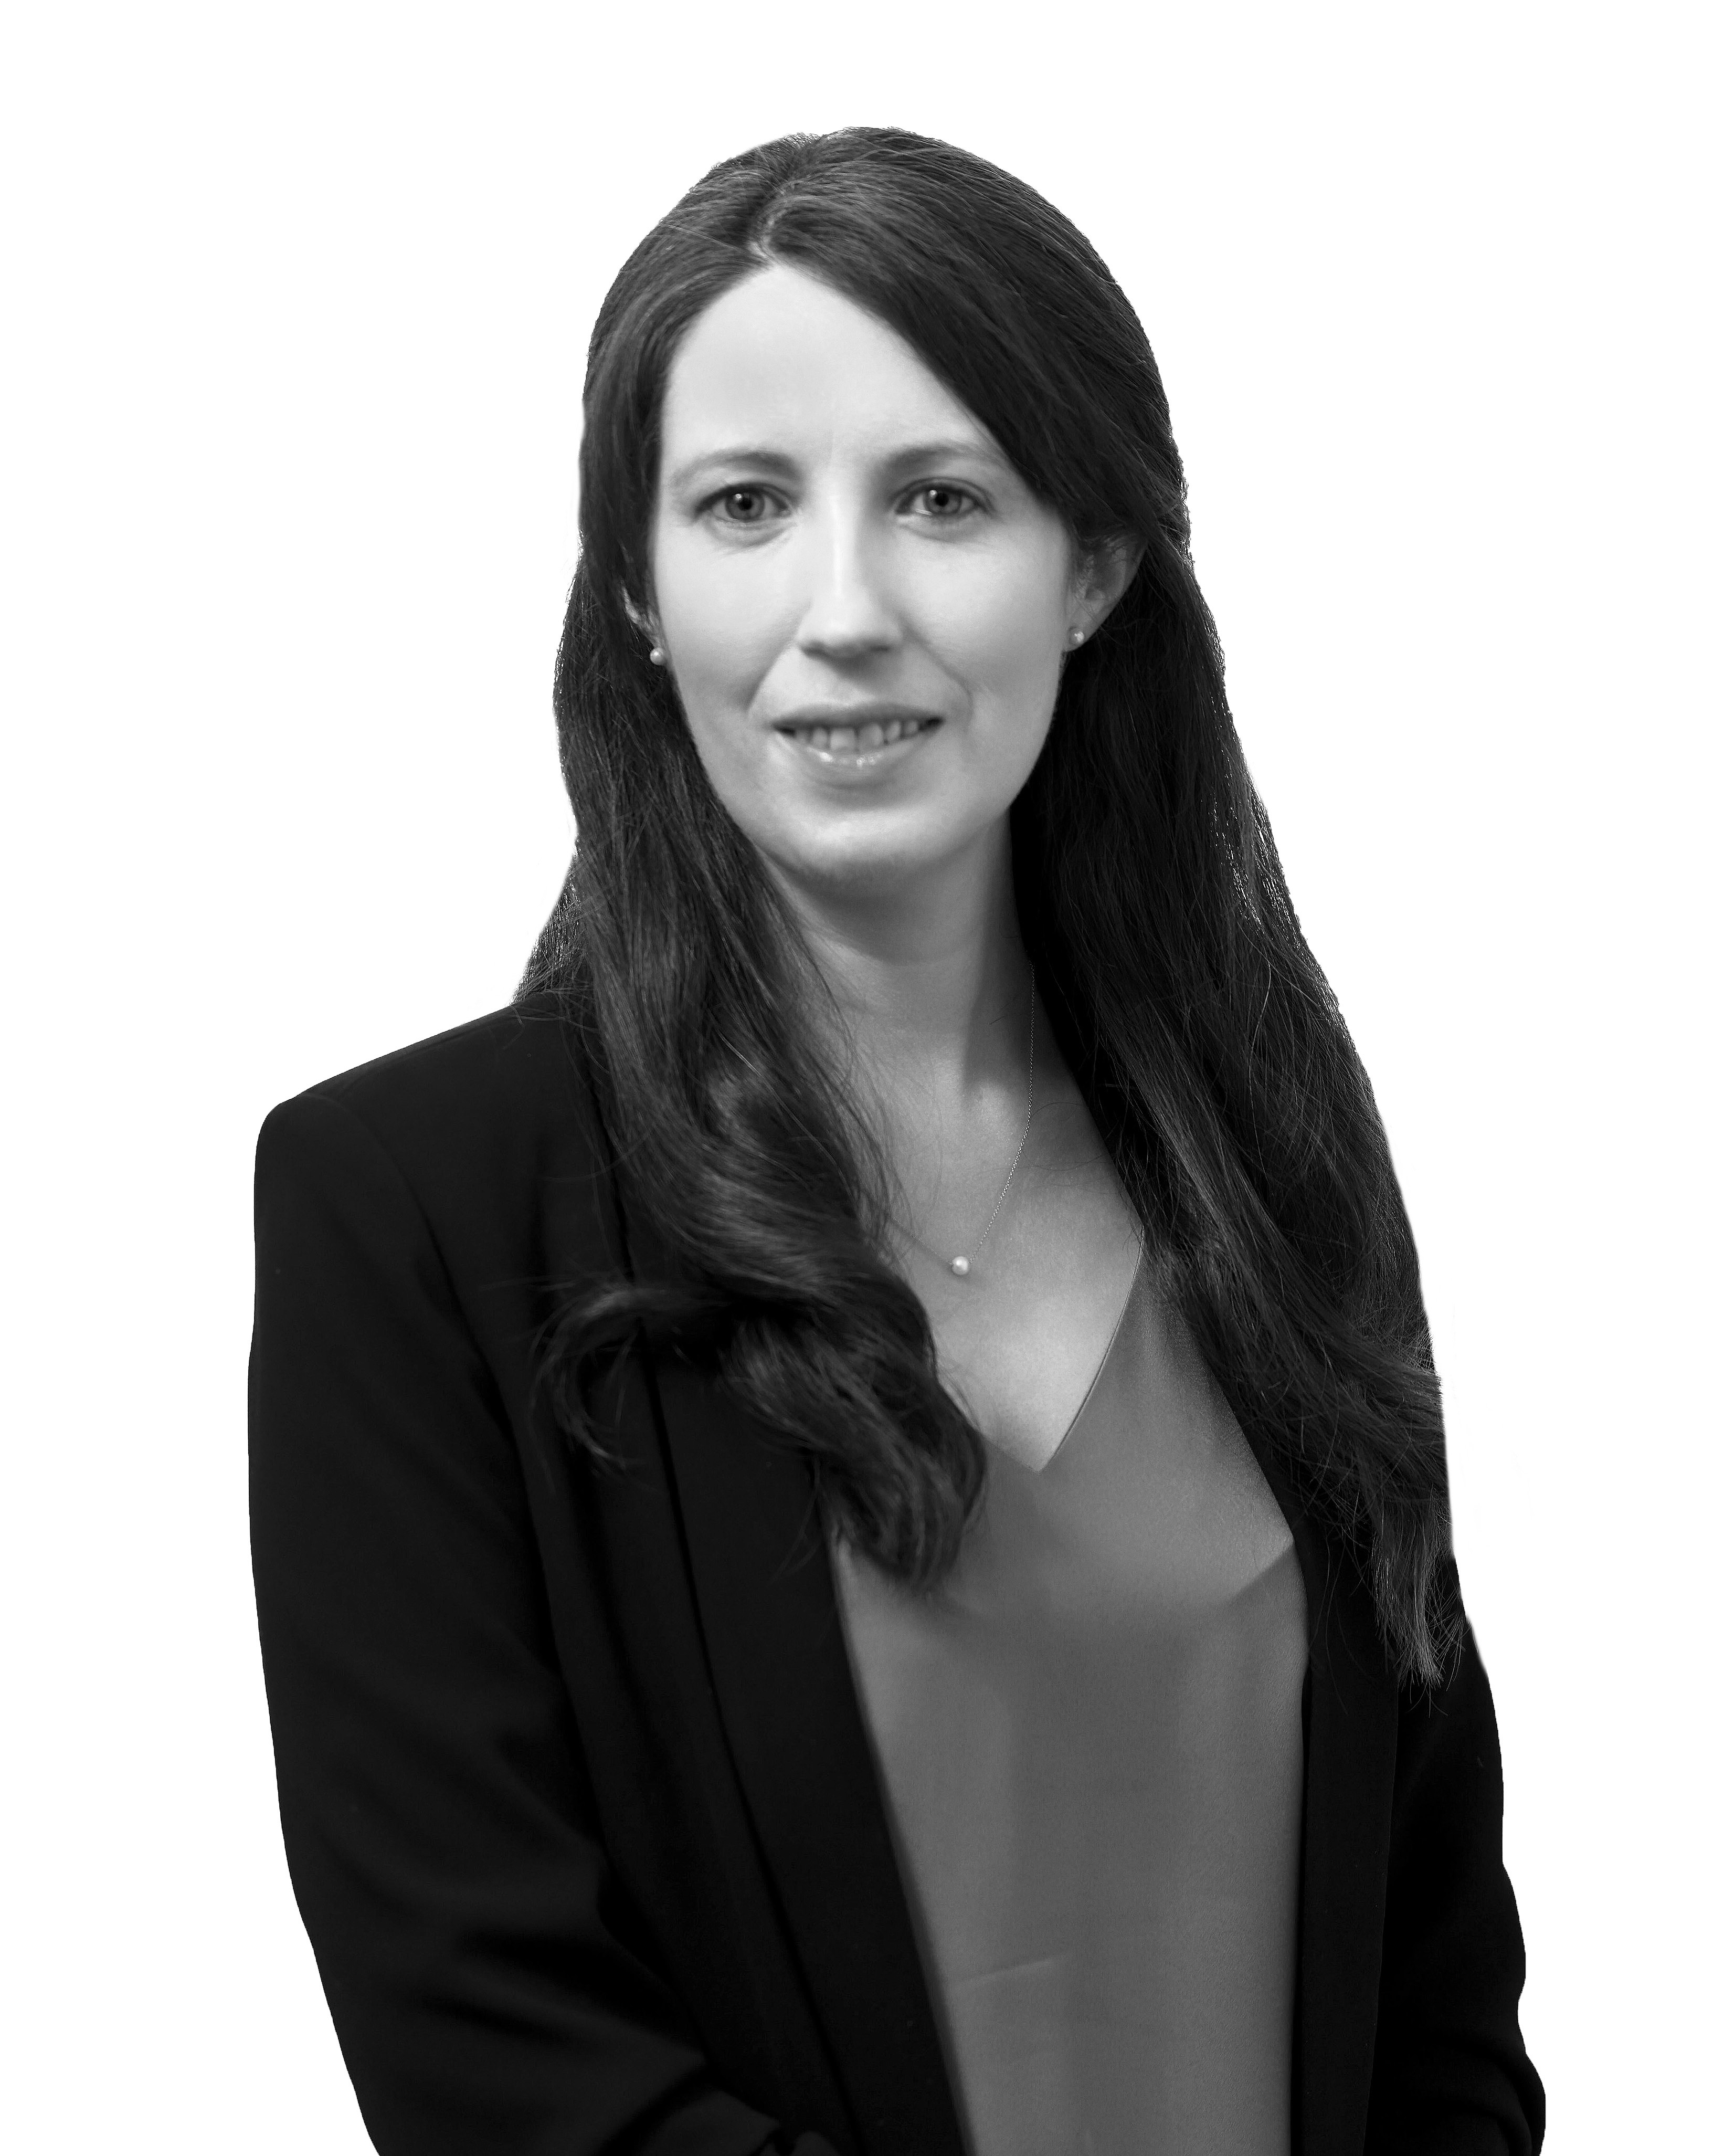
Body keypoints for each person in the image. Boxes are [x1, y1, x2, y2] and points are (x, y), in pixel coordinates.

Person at [249, 128, 1543, 2156]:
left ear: (1095, 564)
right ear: (639, 591)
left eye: (943, 500)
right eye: (745, 505)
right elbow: (493, 2053)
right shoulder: (410, 1215)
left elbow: (1443, 1993)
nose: (844, 609)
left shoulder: (1272, 1164)